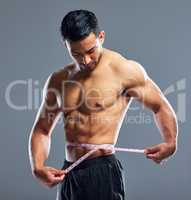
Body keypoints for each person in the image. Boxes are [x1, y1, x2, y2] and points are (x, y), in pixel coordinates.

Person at [28, 9, 178, 200]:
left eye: (91, 51)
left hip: (102, 171)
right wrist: (38, 167)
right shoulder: (58, 80)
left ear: (101, 37)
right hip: (69, 171)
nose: (85, 60)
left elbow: (160, 106)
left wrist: (170, 142)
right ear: (65, 45)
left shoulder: (124, 70)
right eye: (76, 54)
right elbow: (42, 129)